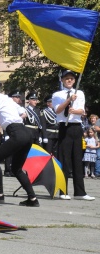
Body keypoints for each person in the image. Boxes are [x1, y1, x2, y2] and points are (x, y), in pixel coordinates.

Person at [0, 76, 39, 207]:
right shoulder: (6, 99)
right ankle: (33, 199)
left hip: (16, 133)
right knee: (16, 169)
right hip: (26, 133)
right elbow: (24, 113)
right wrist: (8, 119)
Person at [52, 70, 95, 200]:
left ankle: (80, 192)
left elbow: (81, 110)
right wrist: (69, 100)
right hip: (64, 127)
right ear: (62, 80)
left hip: (76, 127)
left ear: (74, 80)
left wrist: (74, 110)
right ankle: (63, 191)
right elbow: (57, 110)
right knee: (64, 159)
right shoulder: (57, 94)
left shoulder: (79, 93)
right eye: (67, 78)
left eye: (71, 78)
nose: (69, 80)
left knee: (77, 158)